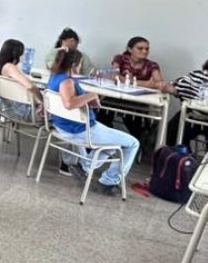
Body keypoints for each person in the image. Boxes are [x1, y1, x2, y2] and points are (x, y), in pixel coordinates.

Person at [46, 49, 139, 195]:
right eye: (80, 64)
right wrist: (91, 95)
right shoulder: (67, 81)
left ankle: (86, 165)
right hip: (80, 130)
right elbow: (69, 103)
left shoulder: (54, 77)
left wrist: (87, 99)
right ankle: (109, 181)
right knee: (132, 143)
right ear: (74, 64)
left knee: (113, 143)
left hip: (63, 127)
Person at [0, 39, 41, 124]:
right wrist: (41, 100)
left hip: (6, 109)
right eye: (22, 53)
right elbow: (30, 86)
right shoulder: (10, 68)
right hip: (21, 113)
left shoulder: (0, 66)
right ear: (16, 54)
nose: (24, 55)